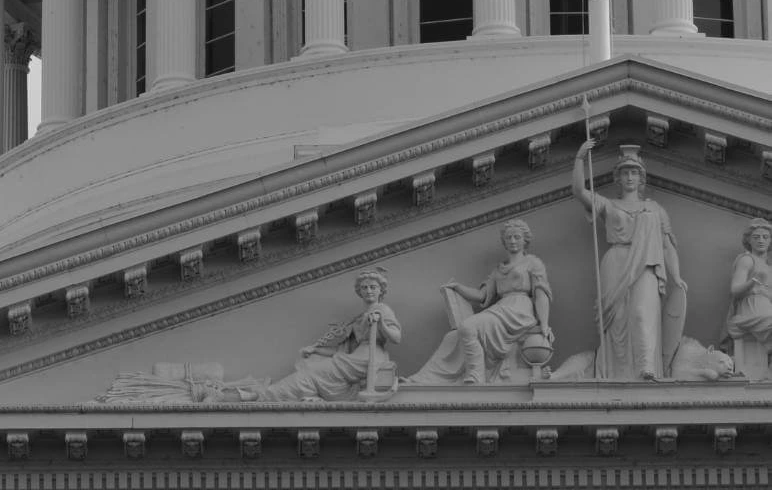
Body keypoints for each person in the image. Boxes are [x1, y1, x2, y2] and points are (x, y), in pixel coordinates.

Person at [573, 141, 686, 380]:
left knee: (642, 313)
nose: (630, 177)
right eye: (625, 173)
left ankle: (646, 367)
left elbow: (667, 245)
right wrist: (580, 159)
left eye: (634, 172)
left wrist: (676, 276)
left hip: (646, 264)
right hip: (616, 261)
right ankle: (619, 374)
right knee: (617, 322)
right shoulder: (609, 205)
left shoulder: (655, 209)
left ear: (641, 178)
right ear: (618, 178)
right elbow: (579, 191)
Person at [200, 267, 401, 402]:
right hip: (350, 361)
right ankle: (250, 395)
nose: (368, 291)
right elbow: (341, 351)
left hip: (368, 360)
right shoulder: (359, 317)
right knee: (310, 365)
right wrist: (315, 349)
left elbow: (396, 338)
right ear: (359, 291)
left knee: (310, 375)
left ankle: (252, 396)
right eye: (364, 288)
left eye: (373, 287)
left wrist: (381, 322)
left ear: (380, 290)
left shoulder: (382, 310)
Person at [406, 219, 553, 385]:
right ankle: (424, 379)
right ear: (504, 241)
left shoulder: (533, 263)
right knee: (452, 337)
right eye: (509, 237)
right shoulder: (499, 268)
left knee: (468, 327)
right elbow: (481, 295)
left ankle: (476, 376)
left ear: (525, 240)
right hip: (501, 308)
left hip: (519, 311)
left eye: (517, 237)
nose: (512, 241)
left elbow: (541, 294)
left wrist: (544, 324)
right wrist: (458, 287)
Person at [726, 217, 772, 374]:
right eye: (756, 237)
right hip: (750, 310)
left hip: (766, 309)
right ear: (749, 240)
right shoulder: (747, 260)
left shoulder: (769, 268)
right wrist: (753, 282)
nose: (761, 240)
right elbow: (735, 289)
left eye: (765, 237)